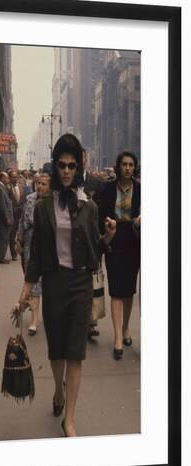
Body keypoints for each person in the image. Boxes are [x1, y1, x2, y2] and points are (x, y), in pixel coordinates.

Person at [19, 134, 116, 437]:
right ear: (55, 166)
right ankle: (58, 391)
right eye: (61, 165)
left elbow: (93, 250)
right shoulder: (42, 206)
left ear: (78, 168)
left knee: (75, 352)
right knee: (56, 350)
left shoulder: (89, 206)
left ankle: (69, 419)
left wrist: (108, 238)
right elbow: (36, 254)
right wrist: (26, 288)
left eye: (71, 166)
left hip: (80, 284)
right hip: (54, 283)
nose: (66, 171)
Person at [99, 151, 141, 360]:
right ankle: (117, 336)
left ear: (135, 167)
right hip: (114, 241)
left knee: (128, 291)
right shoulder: (108, 189)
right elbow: (100, 214)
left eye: (131, 164)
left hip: (133, 243)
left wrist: (139, 220)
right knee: (116, 290)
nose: (127, 168)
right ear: (118, 166)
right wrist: (107, 225)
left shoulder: (142, 190)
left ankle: (125, 327)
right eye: (124, 164)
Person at [17, 172, 51, 336]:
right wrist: (20, 237)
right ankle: (34, 319)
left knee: (49, 283)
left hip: (49, 244)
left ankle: (49, 317)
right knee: (33, 280)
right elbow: (23, 219)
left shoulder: (54, 201)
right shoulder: (30, 198)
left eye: (44, 184)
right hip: (31, 243)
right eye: (38, 183)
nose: (40, 187)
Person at [82, 150, 106, 339]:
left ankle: (91, 322)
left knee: (93, 281)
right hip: (72, 241)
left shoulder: (97, 184)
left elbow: (104, 211)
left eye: (82, 158)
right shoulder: (67, 183)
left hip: (94, 239)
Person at [7, 169, 26, 261]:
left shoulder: (22, 186)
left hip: (21, 213)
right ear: (10, 178)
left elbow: (24, 199)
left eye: (16, 177)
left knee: (22, 233)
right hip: (12, 214)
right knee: (12, 234)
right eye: (13, 177)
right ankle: (13, 254)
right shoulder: (7, 188)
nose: (15, 179)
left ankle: (22, 252)